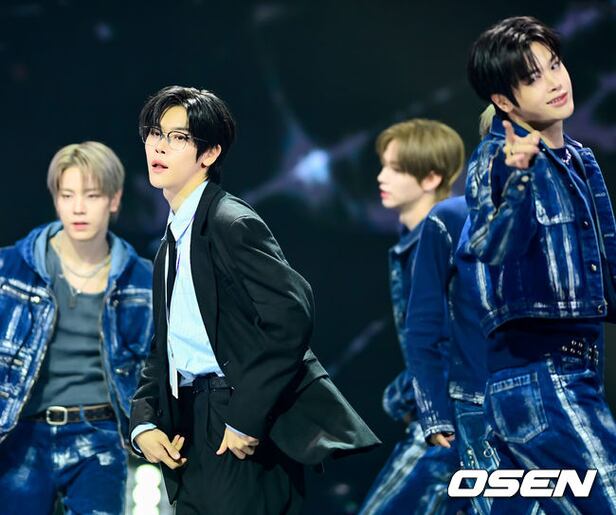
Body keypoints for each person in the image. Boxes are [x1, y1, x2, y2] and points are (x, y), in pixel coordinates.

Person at [129, 85, 380, 515]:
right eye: (155, 133)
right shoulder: (171, 243)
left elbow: (291, 315)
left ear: (209, 153)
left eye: (178, 137)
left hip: (239, 418)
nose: (159, 145)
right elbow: (165, 345)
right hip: (190, 427)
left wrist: (245, 416)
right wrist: (144, 422)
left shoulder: (230, 222)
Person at [462, 15, 616, 512]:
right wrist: (521, 178)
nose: (554, 82)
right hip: (540, 378)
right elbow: (491, 245)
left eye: (554, 65)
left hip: (576, 371)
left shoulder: (580, 159)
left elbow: (606, 271)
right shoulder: (497, 159)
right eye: (533, 78)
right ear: (504, 101)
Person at [0, 141, 154, 514]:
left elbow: (155, 368)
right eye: (67, 195)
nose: (78, 208)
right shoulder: (10, 268)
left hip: (99, 435)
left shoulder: (142, 280)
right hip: (22, 433)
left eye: (91, 195)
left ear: (114, 200)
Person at [359, 119, 467, 514]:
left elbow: (452, 339)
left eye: (396, 168)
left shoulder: (437, 242)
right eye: (383, 165)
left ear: (431, 177)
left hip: (449, 420)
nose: (381, 176)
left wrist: (406, 395)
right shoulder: (414, 241)